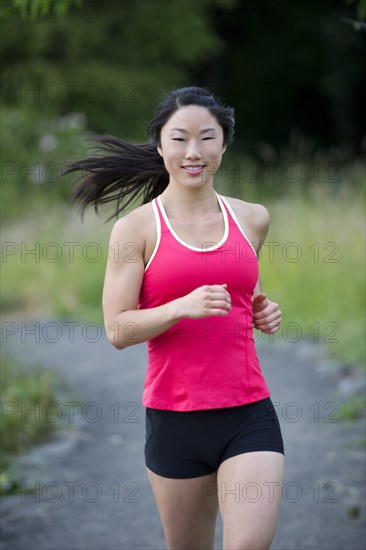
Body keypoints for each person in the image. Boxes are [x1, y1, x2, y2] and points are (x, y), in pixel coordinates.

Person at [64, 86, 285, 550]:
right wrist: (181, 307)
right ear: (160, 145)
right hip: (174, 419)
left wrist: (262, 309)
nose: (194, 152)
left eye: (207, 138)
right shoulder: (136, 229)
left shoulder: (252, 218)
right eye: (180, 138)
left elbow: (243, 291)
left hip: (248, 412)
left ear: (224, 144)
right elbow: (117, 329)